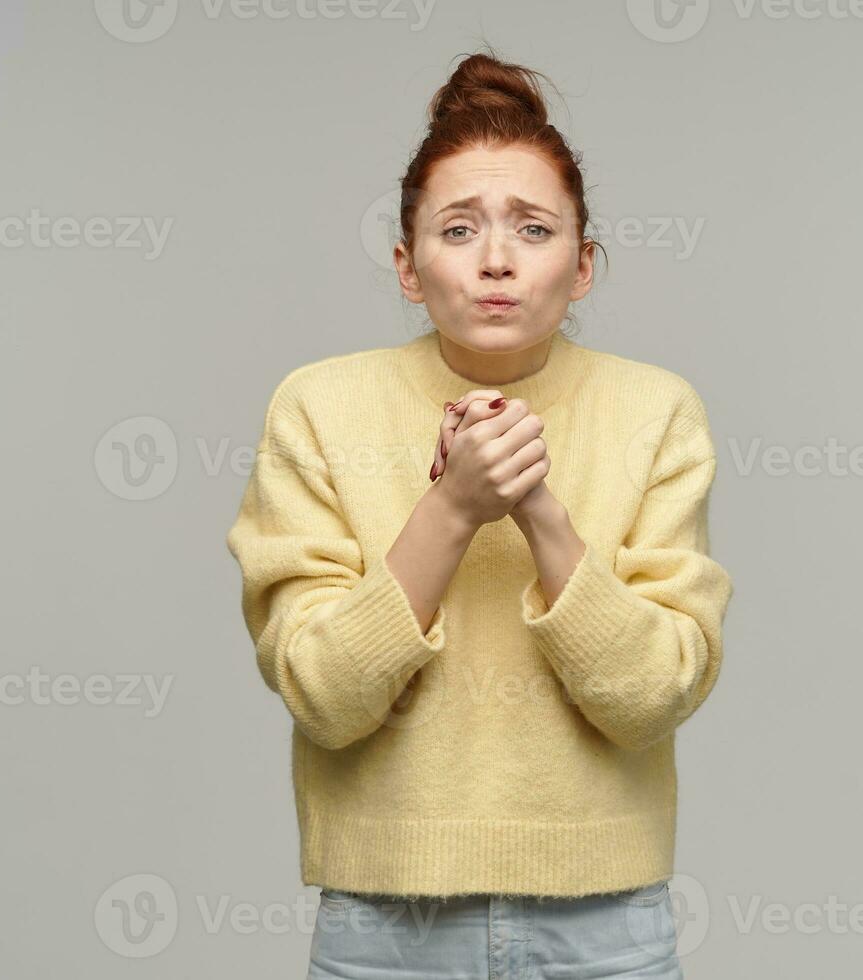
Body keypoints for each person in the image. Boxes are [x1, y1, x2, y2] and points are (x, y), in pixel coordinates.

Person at [226, 48, 734, 979]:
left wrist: (536, 506)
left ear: (582, 267)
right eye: (457, 230)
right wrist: (452, 508)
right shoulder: (319, 406)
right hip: (385, 921)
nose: (496, 260)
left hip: (606, 922)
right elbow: (320, 695)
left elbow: (655, 696)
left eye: (533, 229)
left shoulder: (657, 412)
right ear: (407, 266)